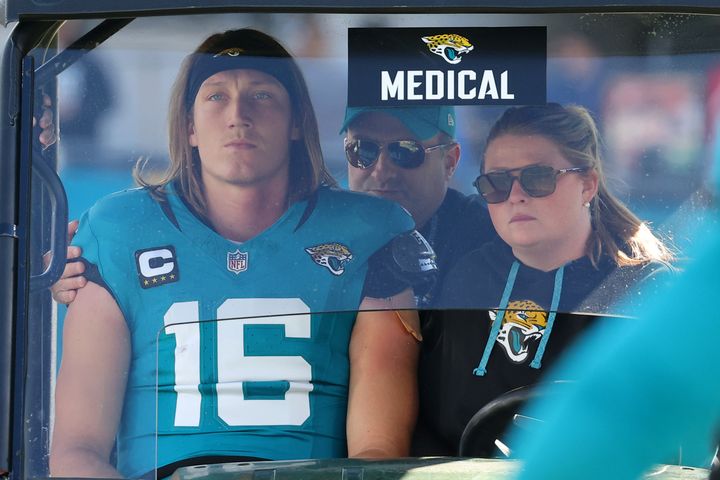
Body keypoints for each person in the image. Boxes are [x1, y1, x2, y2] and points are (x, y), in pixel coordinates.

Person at [49, 28, 430, 478]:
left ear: (295, 122)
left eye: (262, 95)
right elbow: (77, 451)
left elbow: (378, 450)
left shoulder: (368, 230)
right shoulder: (119, 228)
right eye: (215, 97)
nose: (238, 115)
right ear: (189, 126)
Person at [412, 103, 676, 456]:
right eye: (496, 182)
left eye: (538, 177)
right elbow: (439, 423)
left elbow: (670, 435)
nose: (516, 195)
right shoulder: (468, 278)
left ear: (588, 185)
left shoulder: (646, 288)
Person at [340, 106, 495, 308]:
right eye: (362, 149)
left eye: (405, 151)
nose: (381, 172)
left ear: (449, 162)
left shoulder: (491, 242)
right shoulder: (313, 232)